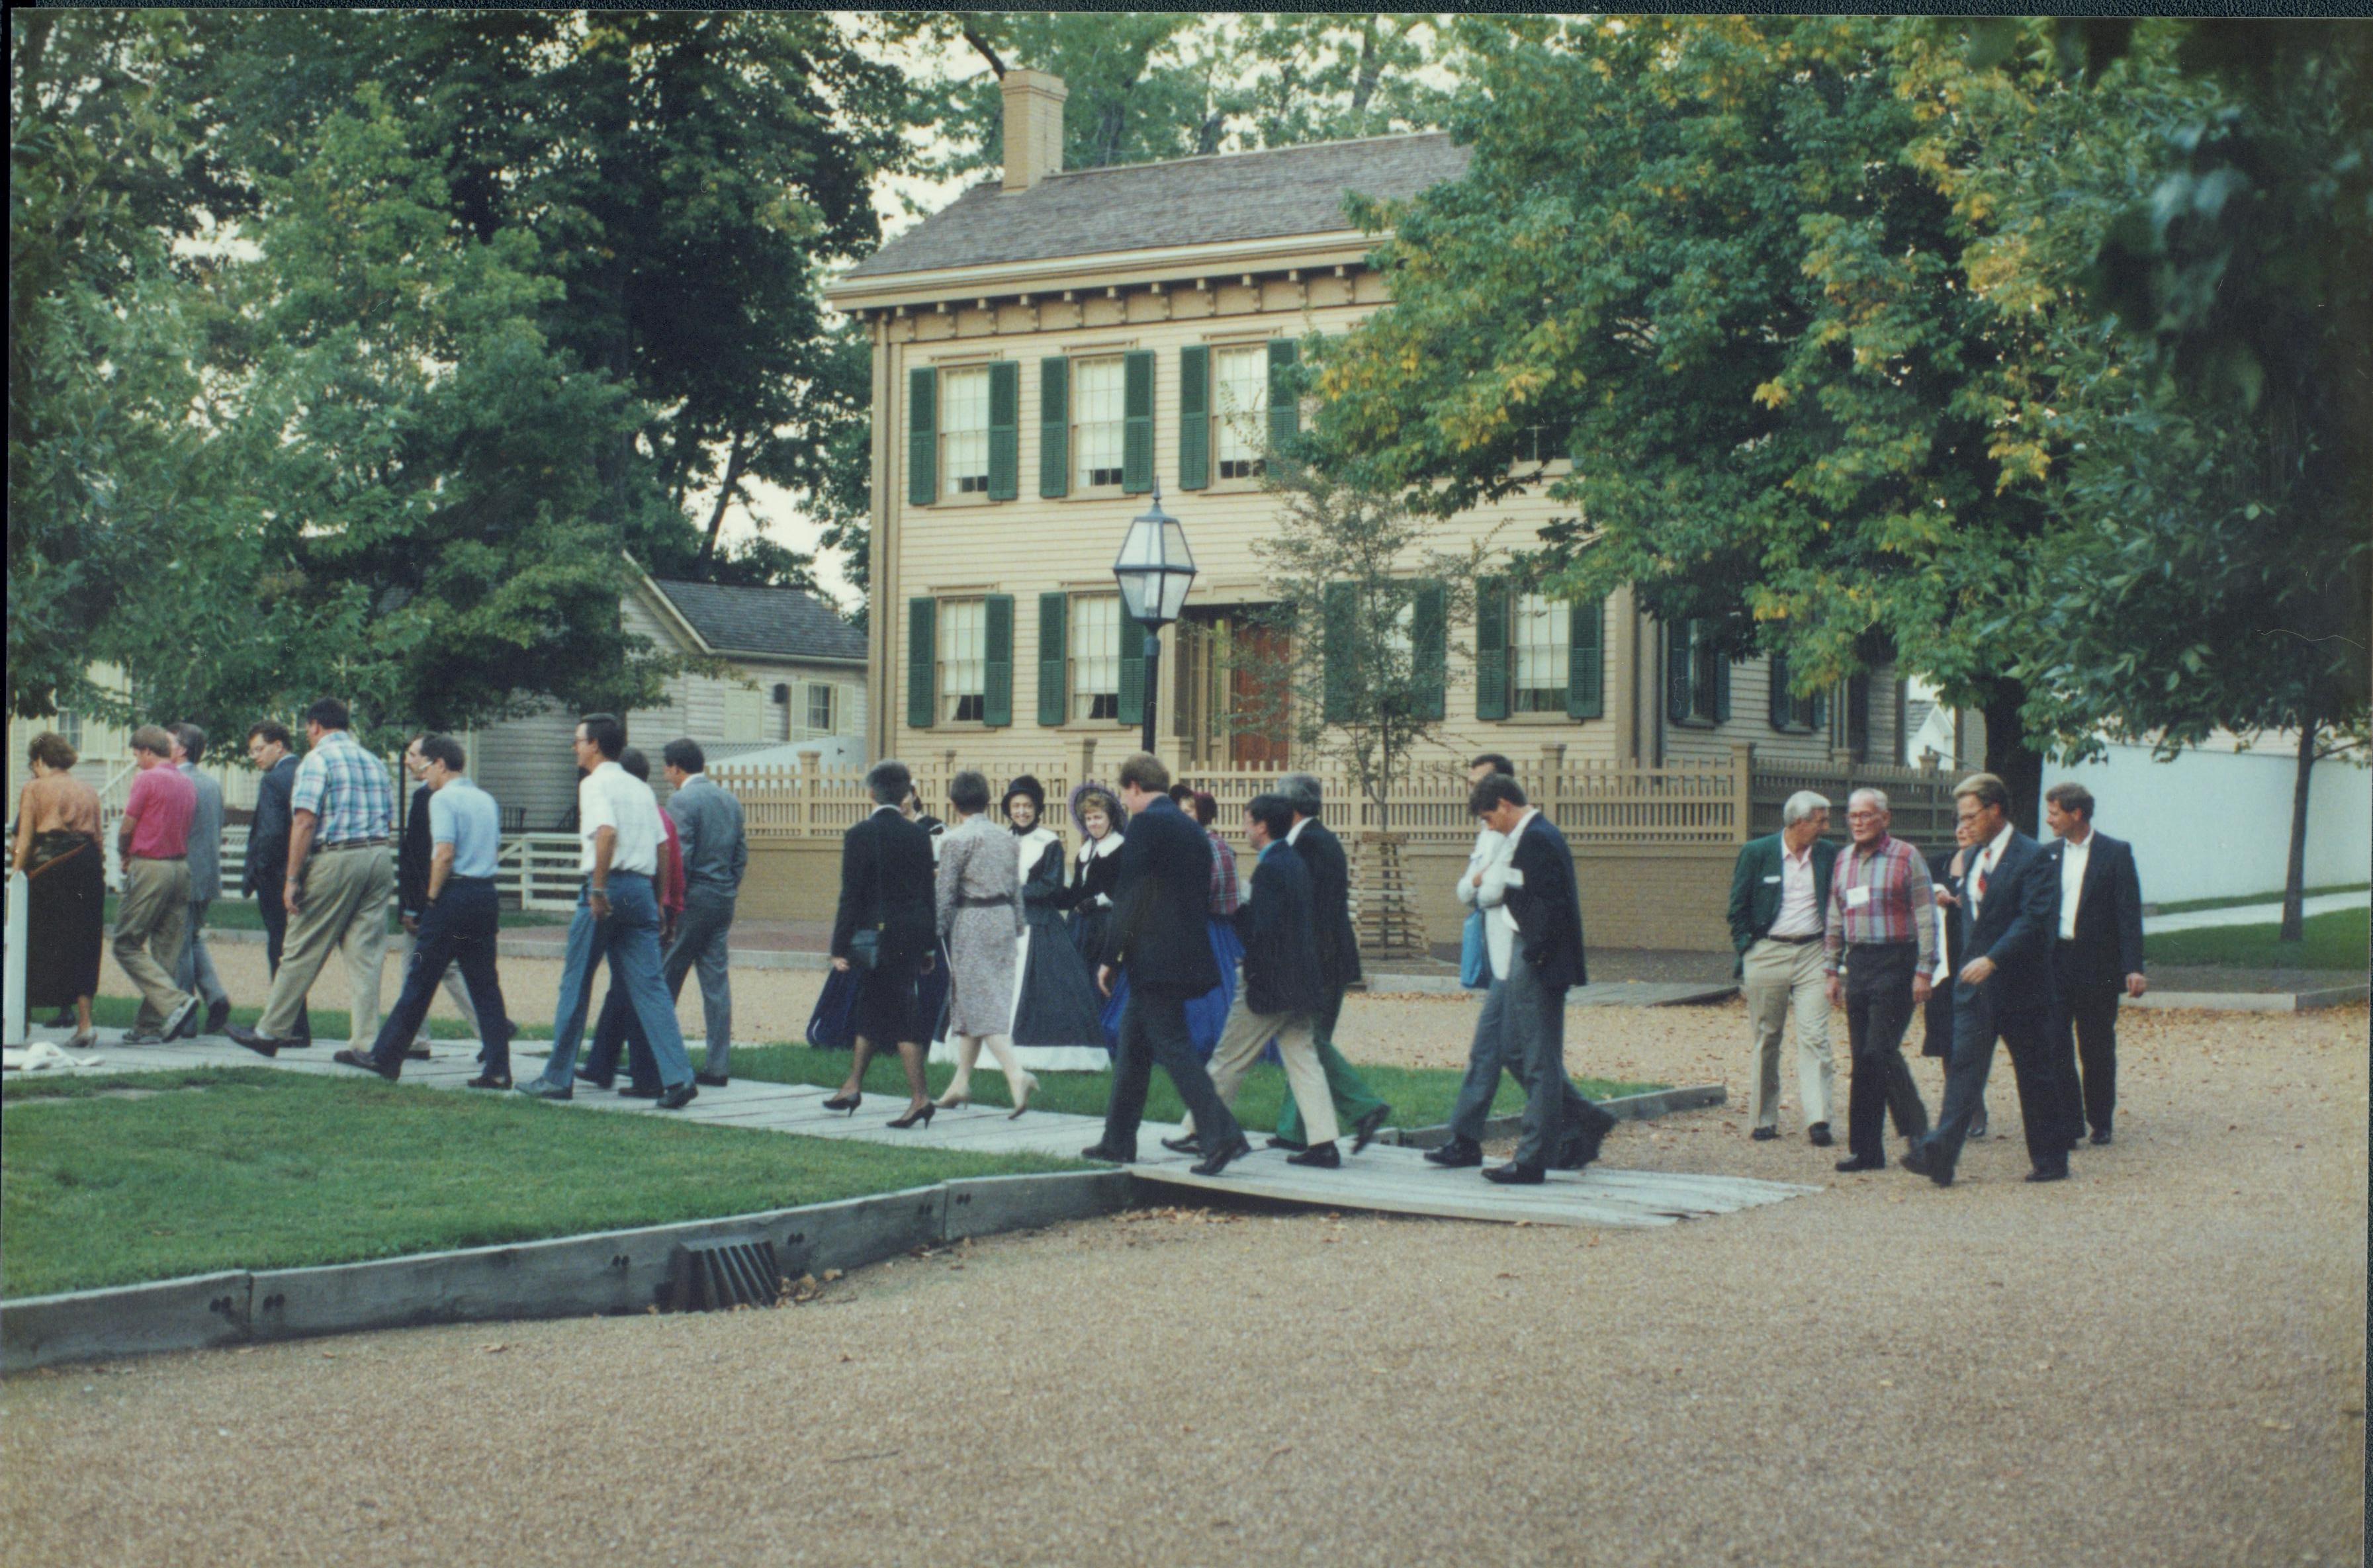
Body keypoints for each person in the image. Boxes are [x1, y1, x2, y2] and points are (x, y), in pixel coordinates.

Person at [513, 715, 699, 1109]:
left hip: (607, 887)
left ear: (595, 744)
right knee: (651, 988)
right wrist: (661, 900)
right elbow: (664, 848)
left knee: (576, 983)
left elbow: (606, 833)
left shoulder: (594, 784)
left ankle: (557, 1077)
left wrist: (598, 888)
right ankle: (679, 1077)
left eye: (578, 741)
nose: (574, 748)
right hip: (641, 891)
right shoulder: (640, 788)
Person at [1081, 752, 1251, 1176]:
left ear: (1135, 787)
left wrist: (1110, 958)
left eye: (1125, 793)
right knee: (1133, 1049)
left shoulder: (1146, 824)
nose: (1126, 801)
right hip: (1185, 952)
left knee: (1173, 1048)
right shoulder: (1190, 828)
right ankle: (1117, 1141)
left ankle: (1221, 1135)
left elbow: (1131, 894)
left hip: (1153, 956)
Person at [1904, 773, 2078, 1187]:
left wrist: (1993, 959)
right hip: (1976, 990)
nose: (1964, 824)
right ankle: (1940, 1156)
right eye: (1960, 817)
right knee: (1964, 1072)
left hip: (2023, 988)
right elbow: (1974, 919)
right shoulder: (1974, 858)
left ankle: (2051, 1159)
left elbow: (2034, 920)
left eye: (1971, 815)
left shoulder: (2033, 857)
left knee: (2035, 1074)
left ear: (1995, 810)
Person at [1167, 793, 1343, 1167]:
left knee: (1228, 1057)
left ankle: (1200, 1130)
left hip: (1269, 982)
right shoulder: (1292, 861)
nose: (1244, 828)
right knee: (1302, 1058)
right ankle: (1324, 1142)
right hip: (1299, 981)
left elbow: (1263, 930)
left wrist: (1242, 920)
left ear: (1262, 826)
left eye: (1247, 821)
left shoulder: (1271, 869)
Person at [335, 735, 515, 1087]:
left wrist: (431, 897)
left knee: (419, 978)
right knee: (484, 984)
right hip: (484, 894)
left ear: (441, 765)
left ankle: (386, 1056)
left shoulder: (443, 799)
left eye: (425, 765)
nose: (422, 772)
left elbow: (444, 852)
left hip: (453, 895)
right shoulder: (485, 799)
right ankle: (498, 1067)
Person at [1464, 773, 1615, 1184]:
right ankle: (1585, 1115)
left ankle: (1533, 1158)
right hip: (1525, 952)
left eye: (1489, 818)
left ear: (1504, 805)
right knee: (1513, 1049)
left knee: (1537, 1060)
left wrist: (1535, 954)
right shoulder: (1526, 838)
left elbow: (1553, 906)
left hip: (1536, 958)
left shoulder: (1538, 839)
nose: (1488, 826)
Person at [229, 699, 396, 1059]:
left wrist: (292, 879)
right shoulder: (374, 762)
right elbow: (388, 818)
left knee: (300, 946)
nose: (307, 735)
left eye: (307, 729)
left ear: (316, 726)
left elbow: (304, 821)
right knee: (366, 956)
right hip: (379, 854)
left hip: (336, 856)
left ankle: (270, 1031)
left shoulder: (317, 761)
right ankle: (366, 1043)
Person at [1267, 772, 1394, 1153]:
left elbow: (1311, 913)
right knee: (1301, 1040)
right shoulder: (1312, 840)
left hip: (1319, 962)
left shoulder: (1311, 845)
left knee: (1307, 1040)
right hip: (1326, 959)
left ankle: (1365, 1106)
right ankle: (1293, 1130)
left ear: (1290, 807)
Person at [1823, 789, 1938, 1172]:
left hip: (1897, 961)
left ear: (1885, 819)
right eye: (1852, 816)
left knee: (1880, 1050)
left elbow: (1926, 916)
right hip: (1860, 963)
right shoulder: (1843, 861)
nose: (1858, 822)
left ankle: (1919, 1133)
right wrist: (1831, 970)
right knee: (1863, 1060)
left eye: (1866, 815)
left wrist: (1925, 969)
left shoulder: (1907, 857)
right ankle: (1867, 1150)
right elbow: (1836, 918)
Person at [827, 760, 940, 1127]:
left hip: (876, 935)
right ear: (906, 795)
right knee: (872, 1007)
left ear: (871, 793)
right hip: (912, 934)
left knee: (899, 1014)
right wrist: (928, 947)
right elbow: (928, 895)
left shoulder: (860, 834)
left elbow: (851, 895)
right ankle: (852, 1085)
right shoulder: (919, 835)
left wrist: (839, 946)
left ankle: (921, 1098)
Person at [1093, 790, 1242, 1061]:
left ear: (1203, 815)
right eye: (1180, 811)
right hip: (1181, 926)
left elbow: (1211, 888)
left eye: (1188, 812)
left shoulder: (1213, 844)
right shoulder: (1183, 842)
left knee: (1207, 1001)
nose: (1182, 817)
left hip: (1208, 927)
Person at [1728, 789, 1839, 1146]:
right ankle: (1763, 1118)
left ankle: (1819, 1119)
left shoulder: (1829, 855)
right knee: (1767, 1037)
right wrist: (1749, 947)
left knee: (1815, 1036)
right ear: (1798, 822)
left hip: (1813, 953)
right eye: (1820, 820)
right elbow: (1737, 907)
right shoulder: (1757, 853)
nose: (1826, 826)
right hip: (1768, 952)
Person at [577, 747, 688, 1096]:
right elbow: (670, 860)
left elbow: (611, 837)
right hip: (646, 900)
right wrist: (666, 907)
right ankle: (610, 1067)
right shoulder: (656, 812)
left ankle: (643, 1075)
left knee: (613, 989)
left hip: (619, 891)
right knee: (635, 991)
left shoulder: (610, 800)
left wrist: (599, 888)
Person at [2043, 781, 2147, 1145]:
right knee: (2055, 1044)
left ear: (2077, 814)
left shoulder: (2115, 853)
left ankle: (2100, 1119)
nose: (2048, 819)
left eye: (2054, 813)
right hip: (2056, 963)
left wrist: (2133, 966)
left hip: (2098, 966)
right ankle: (2069, 1123)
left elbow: (2128, 913)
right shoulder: (2048, 854)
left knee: (2097, 1045)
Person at [930, 769, 1036, 1115]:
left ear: (954, 803)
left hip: (973, 920)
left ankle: (1015, 1074)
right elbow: (1016, 887)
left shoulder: (955, 840)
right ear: (989, 801)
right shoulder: (1007, 839)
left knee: (979, 1004)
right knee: (974, 1002)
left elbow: (945, 894)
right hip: (1004, 918)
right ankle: (960, 1082)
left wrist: (934, 935)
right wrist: (1018, 925)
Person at [992, 775, 1109, 1070]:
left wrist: (1012, 893)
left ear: (1037, 808)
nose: (1022, 812)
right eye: (1016, 806)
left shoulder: (1050, 841)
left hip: (1038, 924)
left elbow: (1050, 886)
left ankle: (1043, 1055)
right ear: (1008, 809)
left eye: (1028, 806)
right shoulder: (1001, 840)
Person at [660, 738, 746, 1086]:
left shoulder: (681, 800)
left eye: (667, 767)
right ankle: (718, 1066)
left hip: (692, 898)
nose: (666, 774)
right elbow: (741, 855)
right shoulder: (729, 801)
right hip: (722, 897)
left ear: (677, 768)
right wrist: (727, 886)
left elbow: (680, 856)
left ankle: (657, 1057)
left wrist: (672, 903)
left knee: (667, 977)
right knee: (715, 983)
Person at [391, 733, 483, 1059]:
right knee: (450, 967)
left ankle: (414, 1039)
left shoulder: (427, 799)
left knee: (416, 967)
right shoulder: (475, 797)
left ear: (436, 761)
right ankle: (488, 1028)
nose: (409, 760)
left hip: (431, 898)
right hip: (467, 895)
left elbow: (421, 855)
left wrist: (416, 905)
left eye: (415, 755)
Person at [13, 732, 104, 1046]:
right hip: (89, 866)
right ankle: (85, 1024)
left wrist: (14, 876)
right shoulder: (88, 789)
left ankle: (19, 1021)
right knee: (84, 942)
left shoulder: (35, 788)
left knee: (33, 940)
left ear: (39, 760)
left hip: (53, 867)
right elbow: (99, 840)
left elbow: (24, 840)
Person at [114, 726, 202, 1044]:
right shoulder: (186, 782)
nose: (136, 761)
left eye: (137, 754)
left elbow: (128, 825)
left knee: (125, 942)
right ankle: (149, 1026)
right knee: (166, 948)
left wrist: (123, 852)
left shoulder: (147, 779)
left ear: (148, 752)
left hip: (151, 865)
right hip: (181, 868)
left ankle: (176, 1002)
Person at [242, 720, 311, 1047]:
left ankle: (289, 1027)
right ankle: (297, 1025)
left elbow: (270, 834)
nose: (254, 756)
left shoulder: (274, 780)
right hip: (309, 870)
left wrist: (261, 871)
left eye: (259, 749)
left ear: (279, 746)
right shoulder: (306, 771)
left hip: (279, 877)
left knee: (281, 949)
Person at [1923, 820, 1987, 1140]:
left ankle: (1975, 1105)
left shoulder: (1991, 863)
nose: (1962, 829)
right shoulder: (1939, 862)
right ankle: (1958, 1107)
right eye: (1959, 825)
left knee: (1972, 1038)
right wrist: (1937, 894)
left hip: (1977, 961)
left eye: (1969, 824)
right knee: (1946, 1037)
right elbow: (1919, 891)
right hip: (1943, 964)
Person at [167, 724, 233, 1037]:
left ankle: (185, 1019)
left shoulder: (176, 782)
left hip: (183, 873)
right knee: (192, 938)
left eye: (167, 742)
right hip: (207, 873)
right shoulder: (211, 784)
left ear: (181, 748)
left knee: (180, 945)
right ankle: (216, 996)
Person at [1055, 783, 1126, 982]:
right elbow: (1078, 890)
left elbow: (1123, 890)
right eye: (1088, 818)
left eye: (1098, 817)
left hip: (1105, 926)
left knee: (1098, 980)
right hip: (1080, 925)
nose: (1093, 823)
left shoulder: (1120, 847)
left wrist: (1098, 901)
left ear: (1110, 819)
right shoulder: (1086, 850)